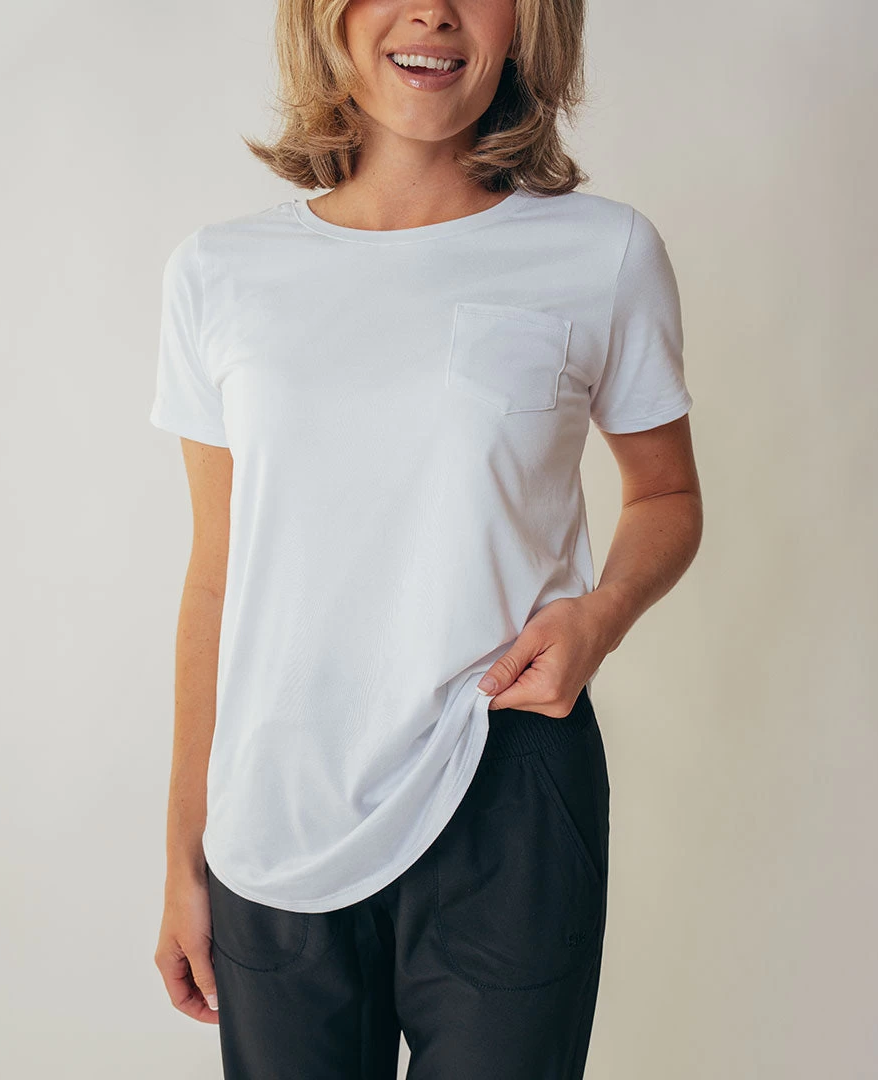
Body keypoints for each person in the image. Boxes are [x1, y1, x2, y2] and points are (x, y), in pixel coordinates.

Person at [150, 1, 703, 1076]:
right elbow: (218, 577)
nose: (433, 12)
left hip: (507, 777)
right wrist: (183, 851)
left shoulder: (604, 252)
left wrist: (599, 618)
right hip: (275, 799)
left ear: (526, 22)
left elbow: (667, 494)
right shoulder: (218, 273)